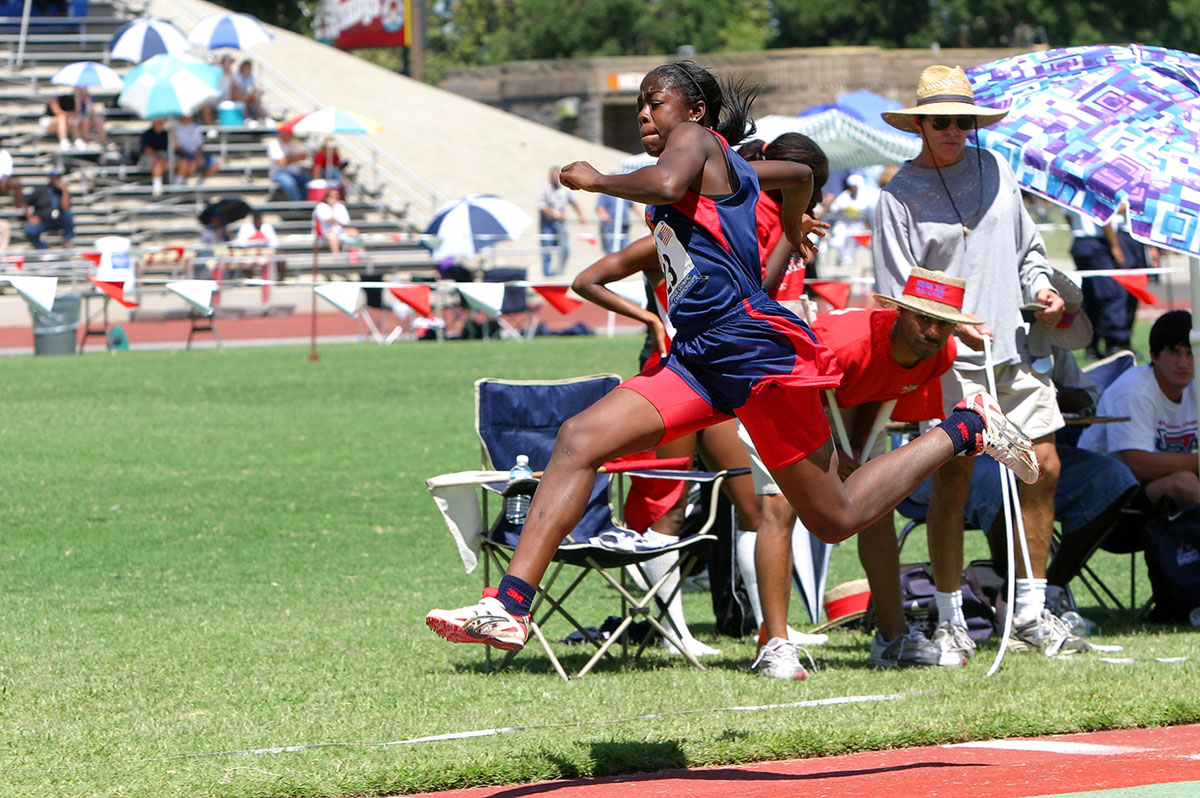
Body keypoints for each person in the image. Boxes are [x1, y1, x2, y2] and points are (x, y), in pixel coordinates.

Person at [427, 61, 1038, 664]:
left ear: (695, 112)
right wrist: (794, 222)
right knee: (579, 438)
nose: (644, 114)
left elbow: (669, 186)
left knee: (836, 516)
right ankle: (509, 606)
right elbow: (798, 172)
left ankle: (966, 426)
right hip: (697, 358)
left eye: (655, 102)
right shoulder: (725, 162)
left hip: (751, 351)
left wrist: (597, 179)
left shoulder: (692, 143)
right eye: (639, 105)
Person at [873, 64, 1083, 661]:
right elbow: (897, 291)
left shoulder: (996, 169)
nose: (953, 131)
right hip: (948, 363)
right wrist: (952, 324)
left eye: (963, 121)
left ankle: (1031, 613)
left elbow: (1029, 251)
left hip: (1015, 350)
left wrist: (1042, 289)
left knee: (1043, 467)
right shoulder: (896, 194)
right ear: (919, 125)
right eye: (941, 121)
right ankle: (948, 619)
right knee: (954, 480)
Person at [739, 269, 978, 672]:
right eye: (924, 318)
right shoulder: (848, 343)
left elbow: (880, 386)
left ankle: (892, 638)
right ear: (900, 312)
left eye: (944, 323)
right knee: (780, 507)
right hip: (775, 393)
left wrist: (856, 455)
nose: (933, 332)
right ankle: (775, 645)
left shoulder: (939, 355)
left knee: (877, 506)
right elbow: (796, 384)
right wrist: (834, 450)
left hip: (844, 410)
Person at [1079, 310, 1198, 509]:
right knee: (1184, 484)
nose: (1183, 363)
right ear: (1154, 356)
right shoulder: (1134, 391)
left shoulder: (1195, 386)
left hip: (1151, 483)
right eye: (1173, 352)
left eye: (1190, 353)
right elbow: (1138, 465)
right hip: (1106, 494)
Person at [1067, 209, 1131, 360]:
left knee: (1090, 298)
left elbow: (1068, 217)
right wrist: (1114, 245)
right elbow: (1105, 218)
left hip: (1080, 242)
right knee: (1111, 295)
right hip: (1097, 244)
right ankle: (1115, 343)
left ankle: (1091, 345)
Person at [536, 166, 585, 276]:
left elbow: (574, 202)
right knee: (547, 251)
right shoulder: (544, 188)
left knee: (565, 249)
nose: (555, 178)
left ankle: (559, 273)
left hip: (561, 224)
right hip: (547, 224)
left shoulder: (565, 189)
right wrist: (555, 213)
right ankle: (548, 276)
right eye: (553, 176)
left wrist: (580, 215)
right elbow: (541, 206)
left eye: (557, 176)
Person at [825, 173, 872, 270]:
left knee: (854, 241)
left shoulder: (865, 197)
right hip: (844, 225)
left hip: (858, 226)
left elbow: (867, 211)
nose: (853, 189)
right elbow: (834, 208)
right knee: (838, 241)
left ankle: (850, 261)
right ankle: (844, 260)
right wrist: (844, 210)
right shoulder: (844, 196)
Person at [24, 169, 73, 249]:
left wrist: (64, 191)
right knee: (30, 229)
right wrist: (30, 217)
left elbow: (65, 207)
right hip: (43, 221)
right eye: (55, 178)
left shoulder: (63, 192)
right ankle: (42, 247)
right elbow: (25, 203)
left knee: (68, 214)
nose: (57, 180)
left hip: (59, 220)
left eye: (58, 177)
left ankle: (67, 239)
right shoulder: (40, 190)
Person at [174, 115, 221, 184]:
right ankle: (181, 182)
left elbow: (200, 144)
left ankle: (200, 182)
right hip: (182, 154)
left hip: (195, 154)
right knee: (191, 163)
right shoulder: (175, 128)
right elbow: (176, 147)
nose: (187, 118)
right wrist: (194, 156)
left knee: (216, 163)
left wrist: (198, 156)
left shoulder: (195, 127)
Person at [312, 185, 359, 254]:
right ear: (327, 198)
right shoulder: (321, 206)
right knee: (332, 235)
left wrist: (337, 221)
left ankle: (359, 255)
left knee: (354, 232)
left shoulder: (340, 206)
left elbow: (346, 223)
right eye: (332, 197)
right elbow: (329, 220)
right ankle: (336, 256)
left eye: (336, 197)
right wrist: (333, 208)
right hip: (325, 232)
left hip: (340, 231)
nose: (335, 199)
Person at [267, 128, 310, 201]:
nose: (290, 135)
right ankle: (297, 203)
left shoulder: (294, 143)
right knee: (289, 183)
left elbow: (303, 156)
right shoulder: (274, 144)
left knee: (309, 181)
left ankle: (304, 200)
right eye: (287, 133)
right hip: (279, 173)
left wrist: (290, 158)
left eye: (290, 133)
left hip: (295, 173)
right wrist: (296, 157)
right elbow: (282, 162)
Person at [140, 118, 170, 197]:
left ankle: (179, 183)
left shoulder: (167, 134)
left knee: (182, 162)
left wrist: (173, 135)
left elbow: (175, 148)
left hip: (164, 159)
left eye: (162, 121)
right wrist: (159, 156)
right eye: (158, 121)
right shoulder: (147, 134)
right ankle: (157, 186)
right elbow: (147, 150)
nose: (160, 123)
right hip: (148, 159)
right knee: (158, 163)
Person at [0, 139, 26, 210]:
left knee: (17, 183)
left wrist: (4, 181)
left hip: (3, 182)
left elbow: (7, 171)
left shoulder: (5, 154)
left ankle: (19, 205)